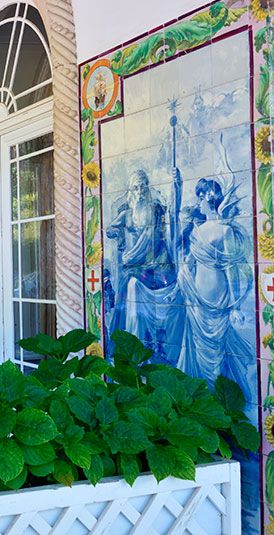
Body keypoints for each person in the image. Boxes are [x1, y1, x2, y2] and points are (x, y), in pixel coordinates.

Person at [174, 153, 255, 402]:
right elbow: (188, 260)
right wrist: (176, 188)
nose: (198, 201)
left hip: (217, 301)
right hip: (196, 300)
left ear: (208, 199)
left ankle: (217, 405)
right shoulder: (196, 229)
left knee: (217, 354)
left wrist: (235, 306)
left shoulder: (225, 231)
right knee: (198, 353)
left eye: (201, 196)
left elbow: (232, 271)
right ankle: (200, 402)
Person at [105, 169, 184, 362]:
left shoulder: (155, 210)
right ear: (131, 191)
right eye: (136, 187)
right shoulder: (127, 214)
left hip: (156, 264)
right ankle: (132, 343)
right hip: (135, 265)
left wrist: (177, 186)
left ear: (147, 188)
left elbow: (173, 213)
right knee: (129, 288)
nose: (140, 191)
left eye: (143, 186)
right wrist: (117, 233)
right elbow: (109, 229)